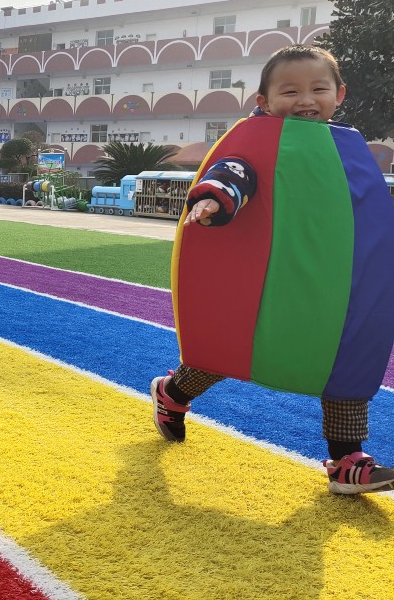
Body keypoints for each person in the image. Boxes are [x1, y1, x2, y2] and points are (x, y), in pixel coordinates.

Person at [151, 45, 394, 495]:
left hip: (336, 276)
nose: (306, 99)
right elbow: (235, 171)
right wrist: (215, 198)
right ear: (263, 101)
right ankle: (174, 392)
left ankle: (346, 461)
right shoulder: (258, 140)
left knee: (349, 352)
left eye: (318, 88)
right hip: (270, 270)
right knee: (235, 344)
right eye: (290, 91)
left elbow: (369, 208)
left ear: (339, 93)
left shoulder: (349, 148)